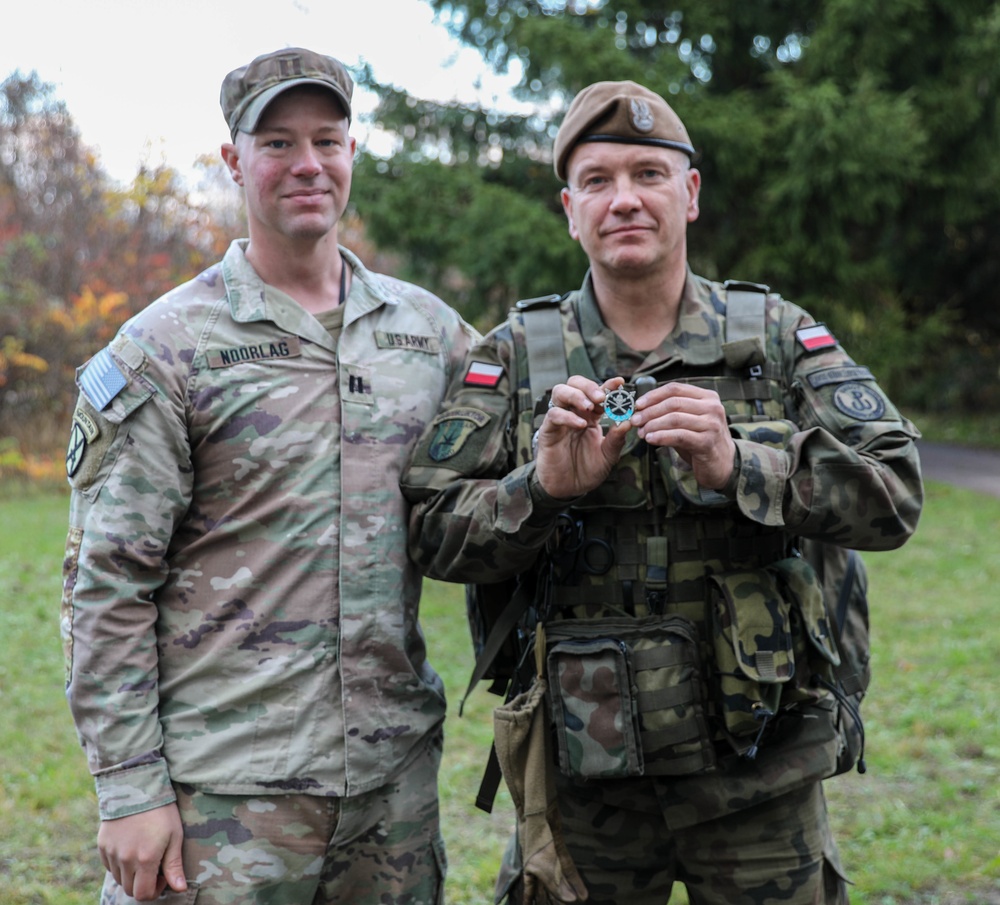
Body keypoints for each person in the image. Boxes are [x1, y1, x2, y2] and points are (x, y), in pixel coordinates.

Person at [401, 80, 923, 905]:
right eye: (599, 180)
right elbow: (429, 527)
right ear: (570, 208)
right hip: (583, 786)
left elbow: (896, 489)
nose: (625, 199)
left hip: (761, 772)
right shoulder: (518, 355)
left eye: (649, 173)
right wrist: (539, 489)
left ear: (690, 192)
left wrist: (743, 463)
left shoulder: (775, 338)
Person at [61, 47, 476, 904]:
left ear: (353, 152)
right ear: (234, 160)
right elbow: (105, 581)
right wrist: (130, 786)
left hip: (389, 794)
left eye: (327, 140)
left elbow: (511, 483)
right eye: (278, 142)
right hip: (225, 802)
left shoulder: (427, 334)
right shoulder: (166, 347)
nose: (307, 164)